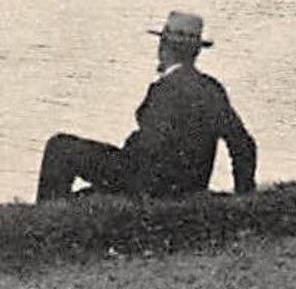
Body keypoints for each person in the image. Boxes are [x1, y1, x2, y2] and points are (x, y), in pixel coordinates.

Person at [36, 11, 256, 202]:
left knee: (60, 148)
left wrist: (125, 164)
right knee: (86, 190)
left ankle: (40, 223)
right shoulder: (211, 88)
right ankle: (59, 212)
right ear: (196, 52)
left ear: (163, 48)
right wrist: (243, 194)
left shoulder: (166, 89)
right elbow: (244, 145)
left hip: (149, 183)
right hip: (188, 185)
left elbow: (151, 149)